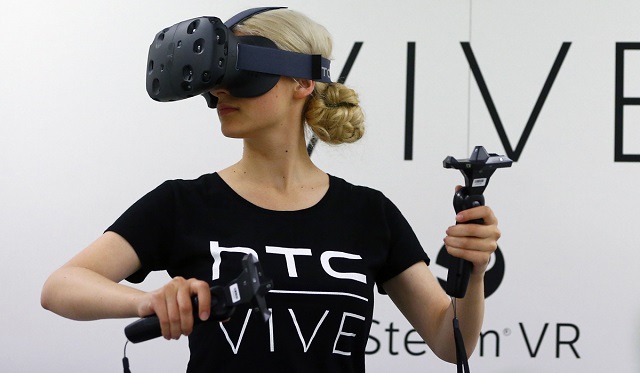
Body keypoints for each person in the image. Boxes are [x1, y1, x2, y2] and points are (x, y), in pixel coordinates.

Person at [41, 7, 501, 373]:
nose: (221, 92)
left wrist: (473, 272)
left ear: (302, 81)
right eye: (214, 79)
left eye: (239, 74)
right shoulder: (183, 204)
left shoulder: (367, 213)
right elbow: (61, 286)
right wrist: (146, 300)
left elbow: (449, 340)